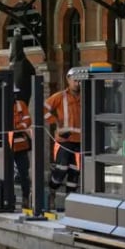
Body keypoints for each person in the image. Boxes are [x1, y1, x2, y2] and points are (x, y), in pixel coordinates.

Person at [43, 68, 83, 211]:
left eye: (80, 80)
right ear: (68, 79)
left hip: (80, 141)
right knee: (61, 168)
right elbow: (43, 108)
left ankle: (70, 204)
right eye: (75, 80)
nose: (78, 83)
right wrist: (56, 123)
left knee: (75, 172)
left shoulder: (85, 97)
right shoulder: (60, 96)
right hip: (64, 140)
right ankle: (52, 191)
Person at [12, 86, 33, 208]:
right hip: (7, 146)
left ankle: (26, 198)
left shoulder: (21, 105)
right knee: (7, 175)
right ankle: (10, 198)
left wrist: (17, 128)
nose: (14, 97)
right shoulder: (1, 105)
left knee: (24, 173)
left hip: (21, 145)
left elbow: (27, 120)